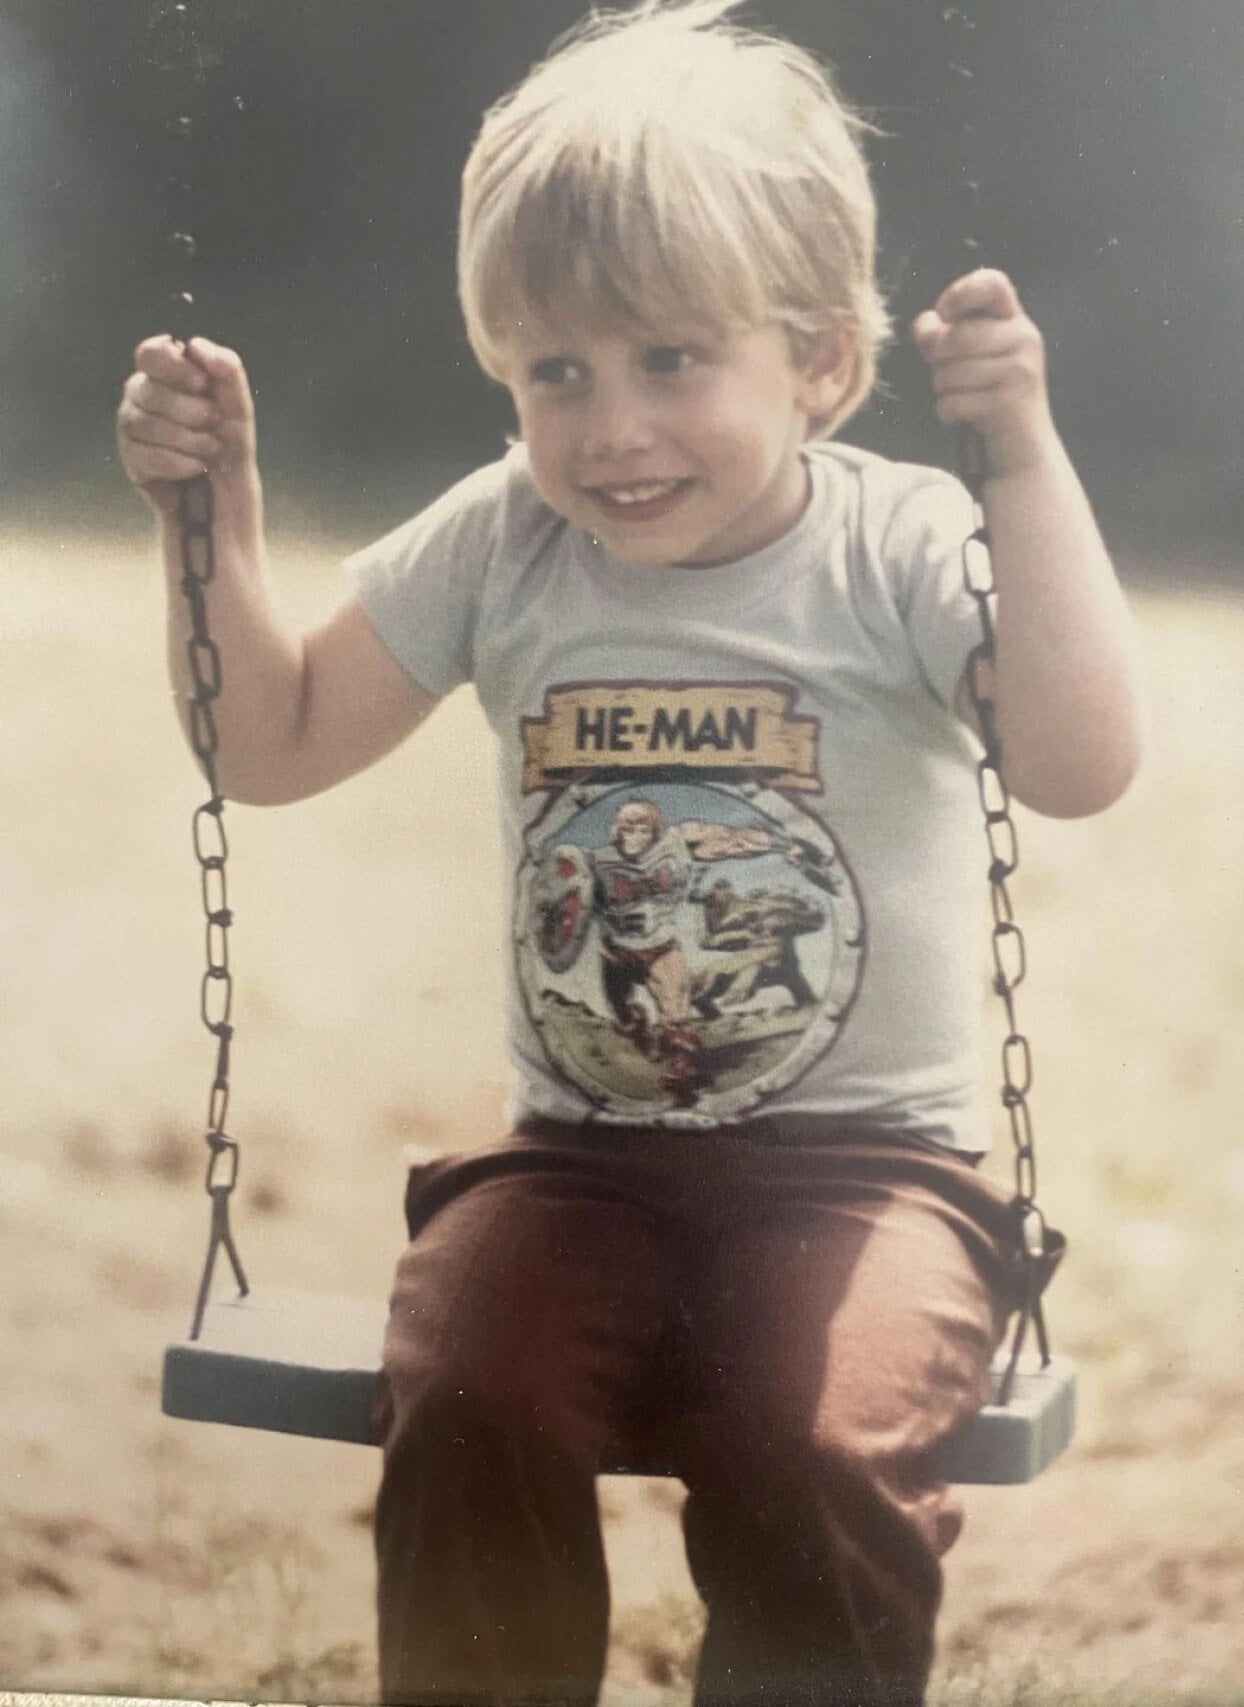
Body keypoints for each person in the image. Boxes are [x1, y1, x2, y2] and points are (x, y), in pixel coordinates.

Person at [117, 2, 1143, 1702]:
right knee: (470, 1396)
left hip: (868, 1178)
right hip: (577, 1165)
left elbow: (1081, 764)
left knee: (811, 1441)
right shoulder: (504, 541)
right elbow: (270, 737)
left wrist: (1020, 462)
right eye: (556, 373)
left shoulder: (898, 544)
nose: (609, 431)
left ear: (821, 363)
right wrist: (208, 521)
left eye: (671, 360)